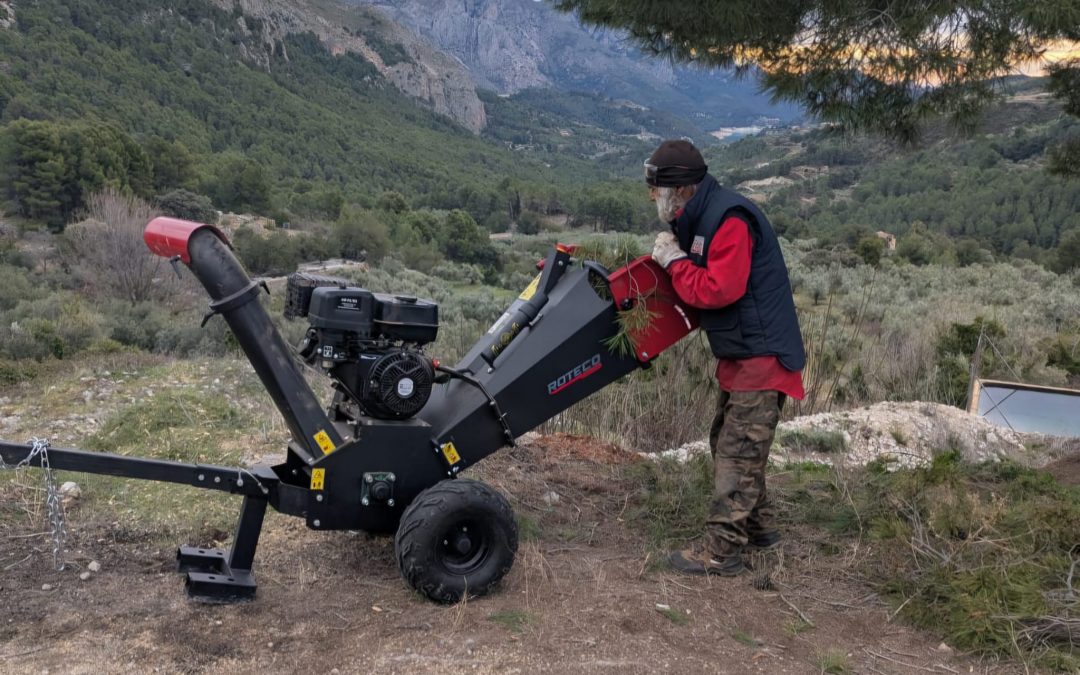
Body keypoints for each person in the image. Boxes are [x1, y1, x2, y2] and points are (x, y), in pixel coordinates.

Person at [646, 139, 806, 576]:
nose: (652, 198)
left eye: (656, 189)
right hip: (742, 353)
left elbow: (720, 289)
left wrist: (675, 262)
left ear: (682, 190)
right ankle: (762, 527)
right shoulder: (700, 217)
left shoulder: (729, 219)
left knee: (738, 453)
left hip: (763, 355)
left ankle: (722, 551)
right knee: (729, 443)